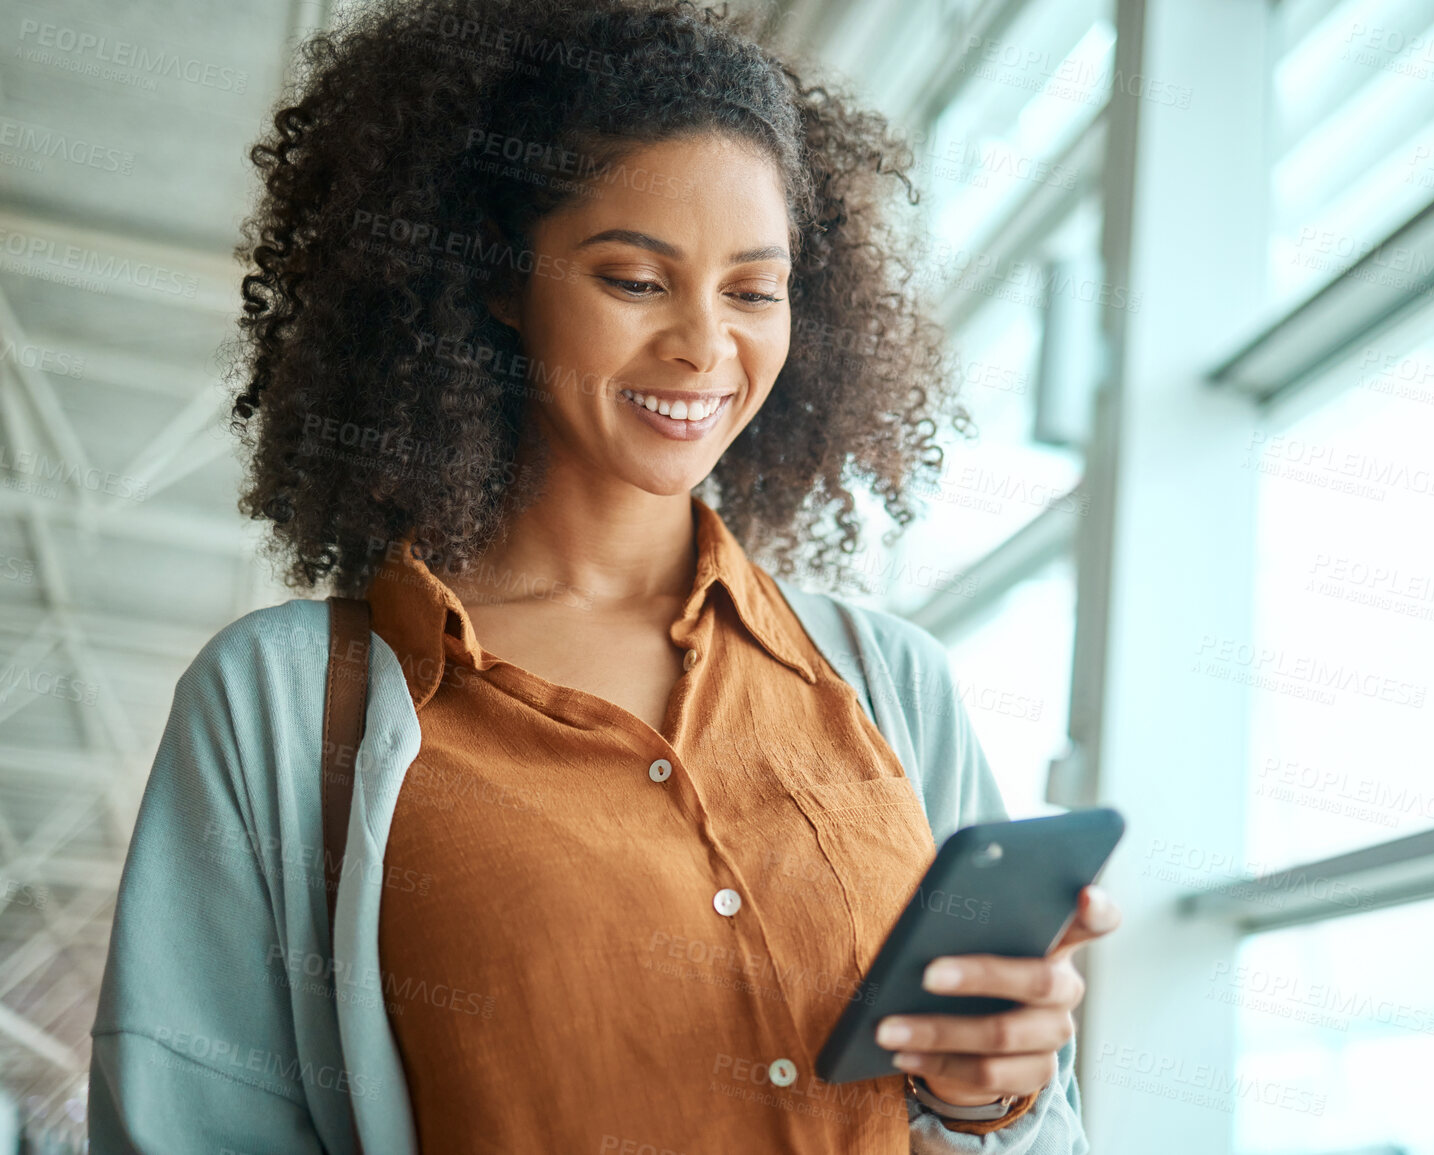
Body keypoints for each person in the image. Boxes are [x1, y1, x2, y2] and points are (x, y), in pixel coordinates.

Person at [88, 1, 1120, 1150]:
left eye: (753, 289)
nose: (702, 347)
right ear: (493, 281)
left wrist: (985, 1102)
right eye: (635, 279)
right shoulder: (281, 707)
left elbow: (1032, 1133)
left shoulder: (892, 686)